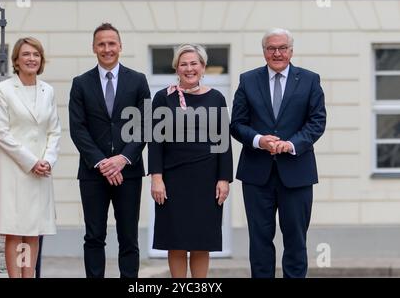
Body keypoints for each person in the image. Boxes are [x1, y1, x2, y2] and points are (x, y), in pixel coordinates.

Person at [230, 28, 326, 278]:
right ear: (263, 52)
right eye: (271, 48)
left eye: (282, 48)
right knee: (260, 242)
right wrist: (260, 140)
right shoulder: (248, 80)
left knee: (295, 241)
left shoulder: (309, 80)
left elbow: (317, 122)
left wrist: (291, 144)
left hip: (297, 173)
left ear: (291, 51)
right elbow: (237, 124)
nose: (277, 53)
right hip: (256, 175)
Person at [69, 23, 150, 278]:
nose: (107, 49)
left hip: (129, 172)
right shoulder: (80, 83)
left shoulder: (138, 81)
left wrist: (123, 158)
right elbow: (78, 129)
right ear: (94, 48)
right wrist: (103, 163)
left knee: (129, 237)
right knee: (94, 236)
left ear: (120, 46)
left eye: (111, 43)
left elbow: (146, 124)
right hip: (93, 174)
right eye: (101, 44)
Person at [148, 44, 233, 278]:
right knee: (175, 241)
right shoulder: (163, 98)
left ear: (203, 67)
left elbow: (223, 142)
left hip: (206, 181)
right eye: (183, 64)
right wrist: (157, 178)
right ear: (176, 68)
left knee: (200, 241)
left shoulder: (216, 98)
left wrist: (224, 179)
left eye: (194, 63)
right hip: (172, 180)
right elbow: (155, 141)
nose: (189, 68)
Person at [0, 37, 61, 278]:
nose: (32, 59)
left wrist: (47, 160)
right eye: (26, 54)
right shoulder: (3, 89)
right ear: (16, 61)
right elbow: (1, 132)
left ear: (41, 60)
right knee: (15, 230)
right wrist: (31, 162)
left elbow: (54, 130)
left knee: (33, 231)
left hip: (41, 171)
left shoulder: (48, 90)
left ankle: (28, 275)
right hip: (15, 170)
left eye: (36, 54)